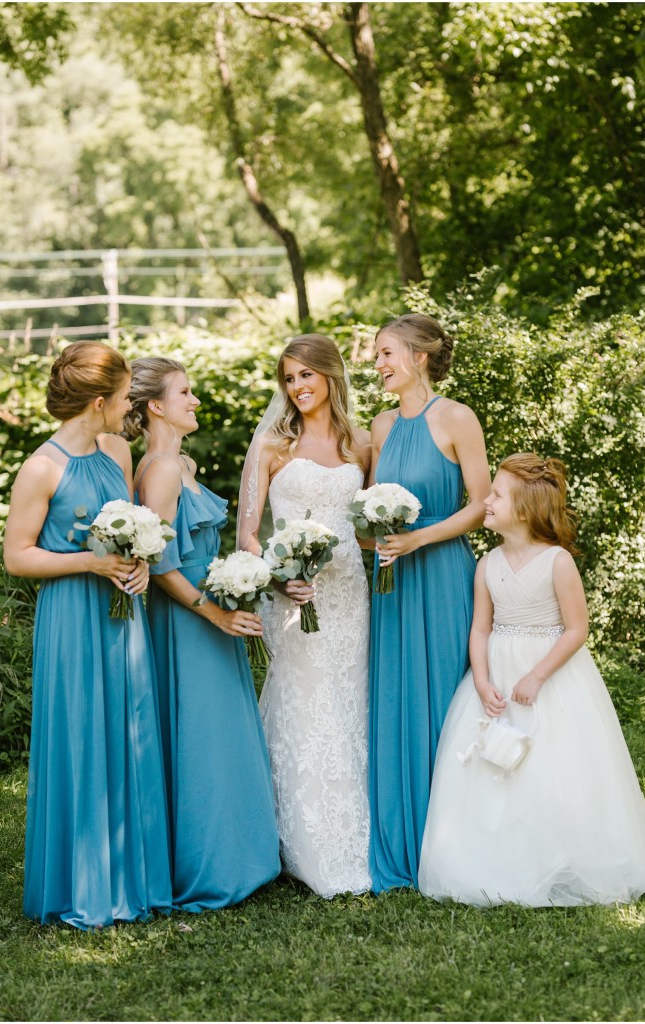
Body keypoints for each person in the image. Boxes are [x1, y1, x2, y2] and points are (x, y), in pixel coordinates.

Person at [419, 454, 645, 906]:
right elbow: (480, 628)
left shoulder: (557, 562)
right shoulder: (487, 564)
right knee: (488, 766)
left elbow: (577, 629)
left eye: (497, 495)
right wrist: (482, 681)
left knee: (555, 763)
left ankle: (563, 852)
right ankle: (486, 859)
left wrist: (538, 676)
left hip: (549, 675)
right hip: (498, 673)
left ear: (523, 511)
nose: (485, 499)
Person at [3, 341, 172, 929]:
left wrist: (141, 558)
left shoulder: (117, 450)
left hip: (122, 612)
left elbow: (131, 526)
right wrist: (90, 565)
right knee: (81, 732)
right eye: (125, 397)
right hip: (73, 616)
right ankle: (85, 883)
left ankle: (133, 876)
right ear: (98, 401)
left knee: (129, 727)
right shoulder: (42, 467)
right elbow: (18, 557)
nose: (131, 407)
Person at [123, 357, 280, 913]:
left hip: (208, 609)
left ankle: (236, 857)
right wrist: (214, 613)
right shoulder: (161, 470)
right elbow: (157, 564)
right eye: (184, 393)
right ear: (155, 406)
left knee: (215, 735)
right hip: (187, 620)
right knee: (200, 737)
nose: (194, 401)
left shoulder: (178, 461)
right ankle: (209, 868)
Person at [238, 334, 372, 898]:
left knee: (347, 700)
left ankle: (357, 838)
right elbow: (248, 531)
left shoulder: (360, 443)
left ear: (330, 376)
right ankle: (296, 842)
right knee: (303, 703)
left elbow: (366, 525)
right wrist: (276, 575)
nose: (296, 388)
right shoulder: (272, 444)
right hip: (292, 597)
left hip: (348, 597)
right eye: (288, 379)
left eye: (305, 376)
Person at [367, 313, 491, 893]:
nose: (379, 365)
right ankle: (404, 836)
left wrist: (421, 536)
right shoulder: (380, 424)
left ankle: (458, 839)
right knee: (395, 697)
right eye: (375, 356)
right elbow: (367, 502)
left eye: (387, 353)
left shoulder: (456, 417)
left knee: (444, 695)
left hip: (440, 570)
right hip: (390, 576)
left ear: (420, 356)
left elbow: (481, 505)